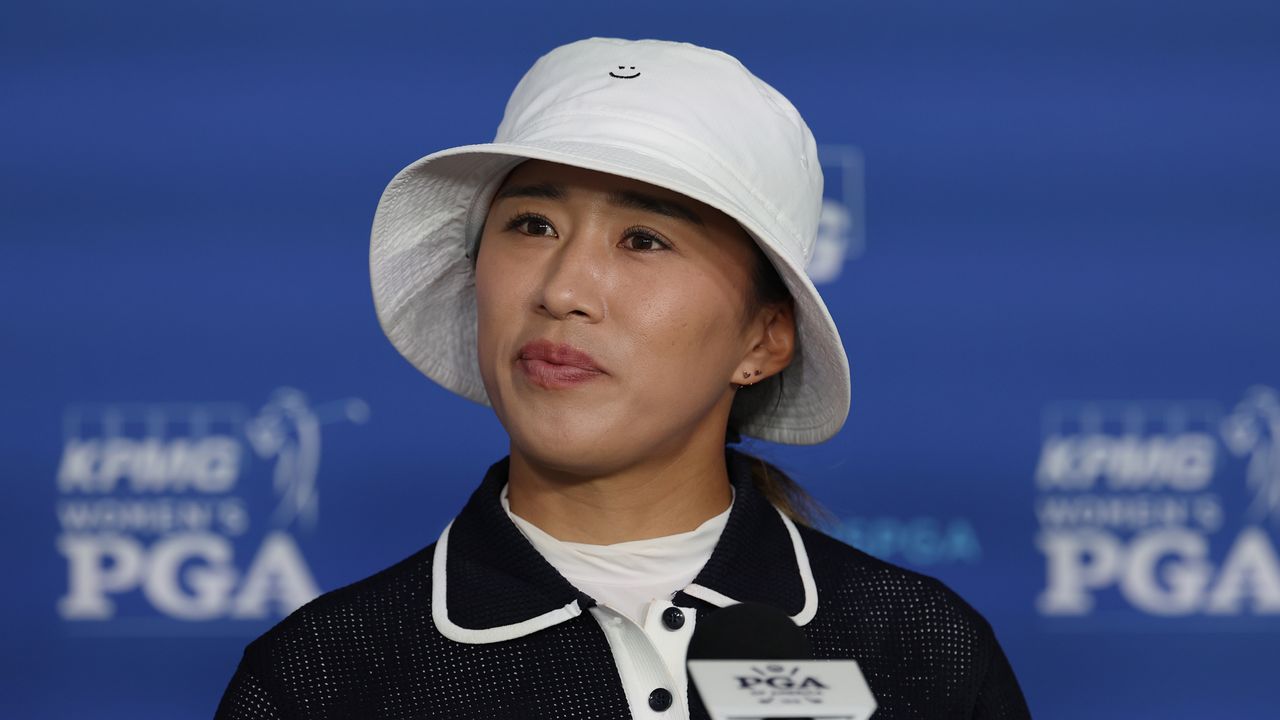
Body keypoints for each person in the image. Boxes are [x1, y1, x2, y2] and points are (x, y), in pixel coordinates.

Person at [214, 36, 1031, 719]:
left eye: (643, 239)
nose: (562, 290)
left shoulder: (919, 651)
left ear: (765, 338)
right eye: (532, 225)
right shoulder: (327, 676)